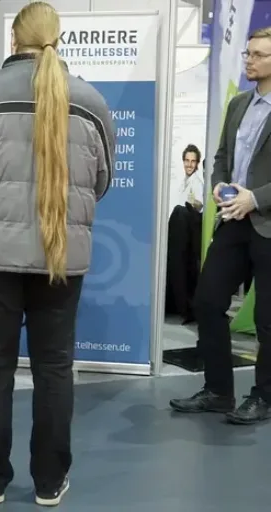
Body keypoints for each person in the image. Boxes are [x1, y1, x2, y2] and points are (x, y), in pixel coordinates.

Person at [0, 2, 114, 505]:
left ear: (13, 41)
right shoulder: (92, 102)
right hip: (62, 256)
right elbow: (100, 182)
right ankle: (49, 481)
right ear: (59, 39)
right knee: (55, 369)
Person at [170, 26, 271, 426]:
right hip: (232, 220)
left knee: (267, 320)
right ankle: (218, 392)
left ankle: (264, 397)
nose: (249, 60)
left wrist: (255, 198)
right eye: (248, 53)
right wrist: (218, 184)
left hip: (266, 222)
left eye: (258, 55)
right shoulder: (239, 104)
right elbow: (221, 156)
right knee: (208, 302)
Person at [165, 144, 205, 323]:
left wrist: (195, 203)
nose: (189, 164)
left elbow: (199, 204)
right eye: (187, 160)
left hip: (187, 234)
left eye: (193, 161)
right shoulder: (183, 182)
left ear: (197, 163)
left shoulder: (197, 182)